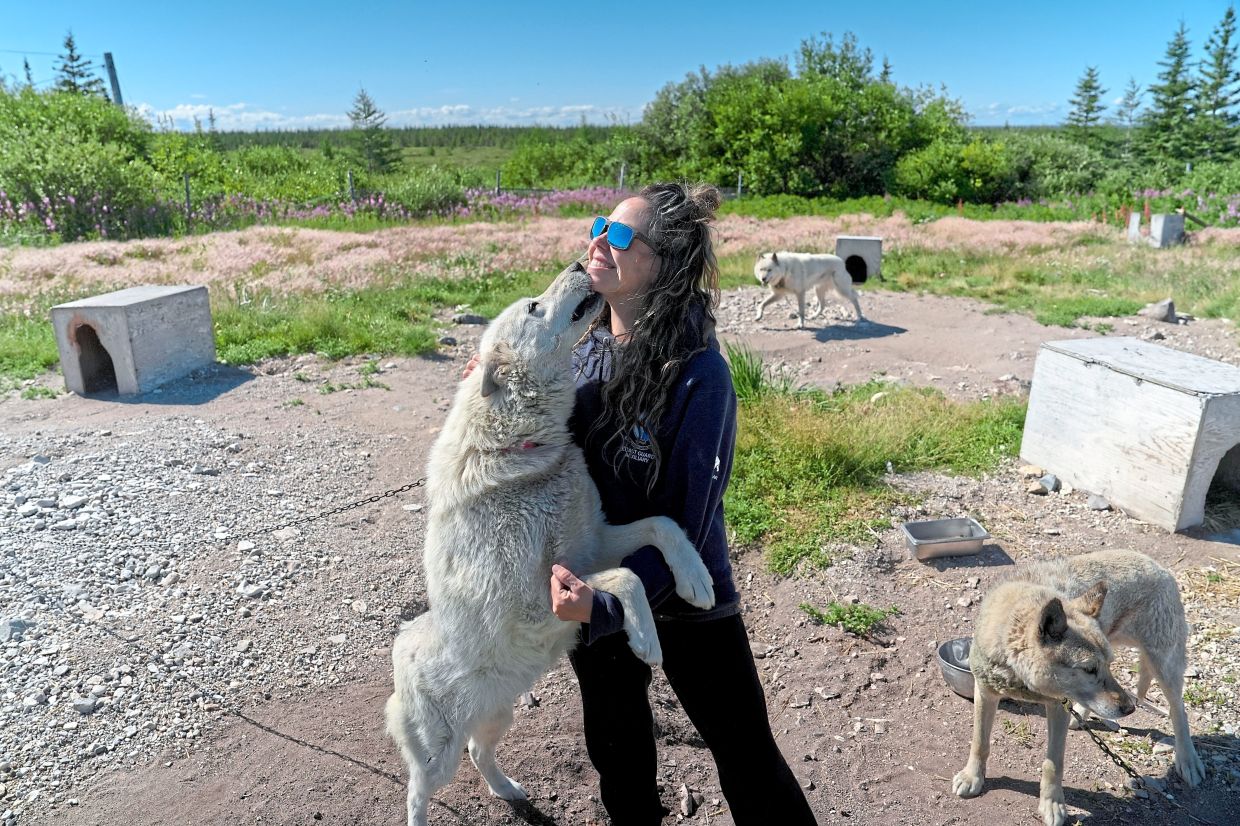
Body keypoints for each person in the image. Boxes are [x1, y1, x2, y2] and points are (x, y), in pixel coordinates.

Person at [547, 182, 818, 825]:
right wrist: (495, 387)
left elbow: (689, 525)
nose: (598, 241)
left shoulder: (700, 375)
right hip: (596, 580)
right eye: (598, 225)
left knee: (745, 752)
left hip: (688, 592)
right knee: (617, 752)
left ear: (662, 265)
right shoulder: (575, 349)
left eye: (619, 235)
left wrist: (606, 606)